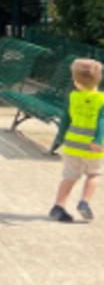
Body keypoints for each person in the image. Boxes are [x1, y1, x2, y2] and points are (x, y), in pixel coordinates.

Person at [50, 58, 104, 223]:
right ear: (99, 78)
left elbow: (65, 119)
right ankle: (84, 202)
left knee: (70, 176)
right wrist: (98, 140)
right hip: (91, 146)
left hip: (72, 144)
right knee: (93, 175)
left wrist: (60, 137)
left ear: (75, 81)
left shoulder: (72, 97)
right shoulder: (101, 99)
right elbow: (102, 121)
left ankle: (58, 207)